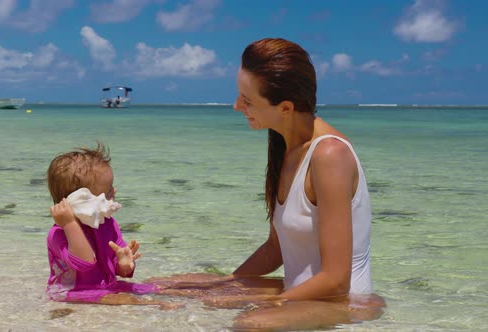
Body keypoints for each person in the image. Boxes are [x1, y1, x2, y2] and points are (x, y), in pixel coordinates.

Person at [154, 38, 385, 330]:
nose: (237, 106)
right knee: (170, 284)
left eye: (247, 100)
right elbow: (276, 248)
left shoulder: (330, 155)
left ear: (285, 108)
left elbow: (337, 281)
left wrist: (273, 303)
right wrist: (223, 284)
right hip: (303, 293)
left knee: (251, 323)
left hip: (343, 302)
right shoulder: (284, 145)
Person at [46, 142, 180, 309]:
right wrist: (70, 223)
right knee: (125, 299)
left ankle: (208, 291)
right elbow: (84, 263)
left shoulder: (107, 224)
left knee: (160, 287)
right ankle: (158, 305)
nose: (114, 191)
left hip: (105, 287)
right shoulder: (59, 233)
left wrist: (123, 265)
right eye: (108, 191)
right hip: (72, 292)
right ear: (83, 199)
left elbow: (118, 267)